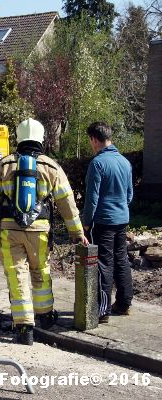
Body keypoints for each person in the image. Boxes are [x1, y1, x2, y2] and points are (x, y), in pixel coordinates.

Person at [0, 118, 88, 345]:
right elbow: (66, 203)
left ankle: (24, 328)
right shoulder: (51, 167)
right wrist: (77, 232)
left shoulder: (4, 165)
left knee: (16, 275)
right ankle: (46, 316)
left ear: (19, 138)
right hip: (40, 231)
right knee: (41, 271)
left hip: (9, 231)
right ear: (41, 138)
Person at [82, 122, 133, 324]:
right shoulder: (125, 162)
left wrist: (86, 223)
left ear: (95, 139)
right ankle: (124, 303)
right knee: (121, 260)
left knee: (104, 263)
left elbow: (91, 198)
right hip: (122, 219)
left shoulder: (98, 163)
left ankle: (103, 311)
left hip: (103, 221)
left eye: (90, 141)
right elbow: (129, 195)